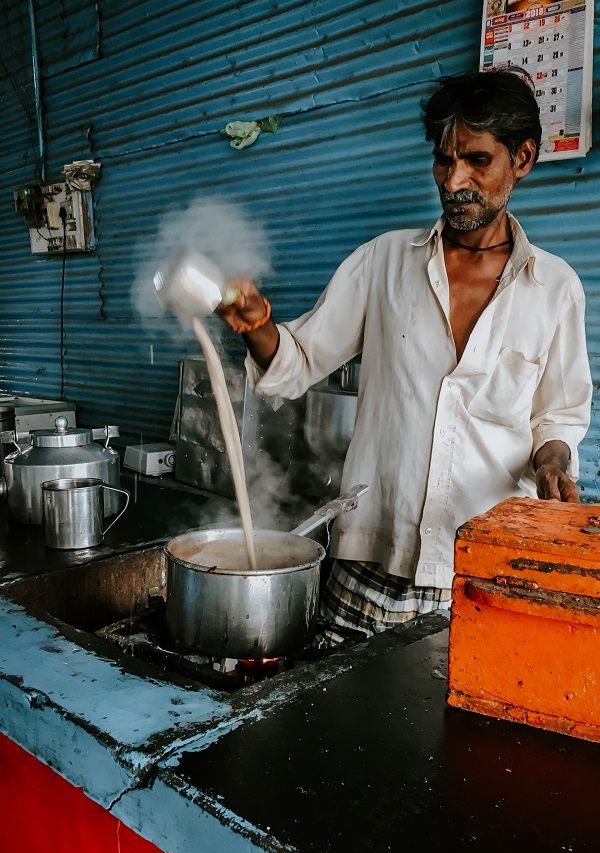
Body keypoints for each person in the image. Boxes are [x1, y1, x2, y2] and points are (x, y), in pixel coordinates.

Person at [218, 69, 592, 644]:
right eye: (444, 161)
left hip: (476, 575)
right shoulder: (383, 263)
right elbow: (294, 363)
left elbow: (559, 415)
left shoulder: (555, 287)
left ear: (522, 158)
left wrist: (552, 464)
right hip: (367, 560)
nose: (454, 179)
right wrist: (259, 328)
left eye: (476, 160)